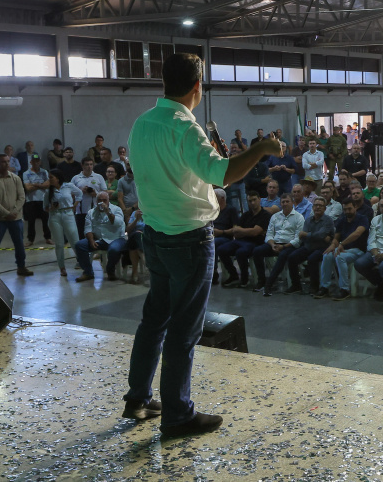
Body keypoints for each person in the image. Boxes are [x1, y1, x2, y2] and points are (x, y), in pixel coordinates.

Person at [121, 53, 280, 438]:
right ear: (197, 87)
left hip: (155, 235)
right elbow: (221, 174)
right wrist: (261, 149)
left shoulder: (141, 124)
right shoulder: (183, 127)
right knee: (183, 330)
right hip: (189, 240)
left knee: (154, 320)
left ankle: (138, 399)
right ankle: (178, 415)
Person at [263, 196, 334, 296]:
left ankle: (314, 286)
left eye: (320, 206)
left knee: (312, 258)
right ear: (313, 207)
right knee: (292, 257)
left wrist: (309, 235)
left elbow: (320, 235)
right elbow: (304, 236)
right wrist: (312, 235)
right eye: (316, 205)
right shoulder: (309, 220)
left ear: (325, 208)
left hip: (322, 247)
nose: (318, 207)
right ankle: (296, 285)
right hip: (309, 246)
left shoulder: (328, 220)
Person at [0, 154, 32, 276]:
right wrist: (6, 214)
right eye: (3, 162)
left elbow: (21, 197)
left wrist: (14, 212)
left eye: (7, 162)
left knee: (19, 243)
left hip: (15, 218)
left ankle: (21, 267)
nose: (6, 164)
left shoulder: (16, 178)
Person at [317, 198, 370, 301]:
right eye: (345, 209)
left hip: (358, 250)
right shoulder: (342, 220)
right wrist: (333, 245)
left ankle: (344, 289)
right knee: (327, 255)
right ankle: (324, 286)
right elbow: (337, 237)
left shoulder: (362, 218)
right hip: (343, 249)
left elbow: (357, 234)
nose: (347, 212)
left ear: (355, 207)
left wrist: (341, 244)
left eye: (349, 209)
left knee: (340, 257)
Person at [219, 191, 272, 288]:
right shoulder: (246, 215)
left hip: (256, 242)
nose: (252, 203)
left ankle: (245, 278)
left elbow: (255, 232)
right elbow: (236, 231)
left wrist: (243, 231)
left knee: (241, 252)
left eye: (254, 200)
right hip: (241, 240)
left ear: (259, 199)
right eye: (250, 201)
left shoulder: (265, 215)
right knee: (221, 249)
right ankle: (234, 274)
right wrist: (247, 231)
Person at [73, 191, 126, 282]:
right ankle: (88, 272)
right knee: (80, 245)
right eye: (99, 200)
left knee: (114, 249)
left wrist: (108, 212)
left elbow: (118, 224)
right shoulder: (91, 212)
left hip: (115, 238)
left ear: (108, 201)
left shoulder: (116, 209)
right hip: (99, 239)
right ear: (96, 201)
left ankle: (110, 270)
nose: (102, 202)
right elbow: (88, 228)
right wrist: (91, 240)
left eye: (104, 200)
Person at [43, 169, 83, 277]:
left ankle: (81, 261)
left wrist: (75, 205)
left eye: (51, 177)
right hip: (54, 216)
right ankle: (62, 267)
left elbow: (79, 193)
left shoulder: (68, 186)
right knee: (59, 243)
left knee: (74, 240)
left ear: (58, 178)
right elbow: (45, 207)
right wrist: (51, 207)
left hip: (68, 214)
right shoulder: (48, 191)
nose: (49, 179)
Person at [71, 157, 106, 239]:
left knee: (95, 232)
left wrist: (96, 194)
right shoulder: (76, 178)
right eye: (87, 165)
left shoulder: (99, 177)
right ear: (82, 165)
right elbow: (70, 194)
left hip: (96, 210)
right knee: (81, 232)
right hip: (80, 211)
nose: (89, 167)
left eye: (91, 164)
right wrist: (80, 191)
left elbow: (105, 193)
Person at [22, 154, 52, 246]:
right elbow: (28, 188)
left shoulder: (44, 172)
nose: (36, 163)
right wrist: (41, 185)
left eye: (38, 161)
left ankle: (48, 237)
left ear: (40, 162)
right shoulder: (26, 173)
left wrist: (34, 184)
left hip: (43, 199)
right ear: (31, 162)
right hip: (31, 200)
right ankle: (30, 239)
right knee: (31, 221)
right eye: (34, 161)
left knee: (46, 220)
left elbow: (48, 184)